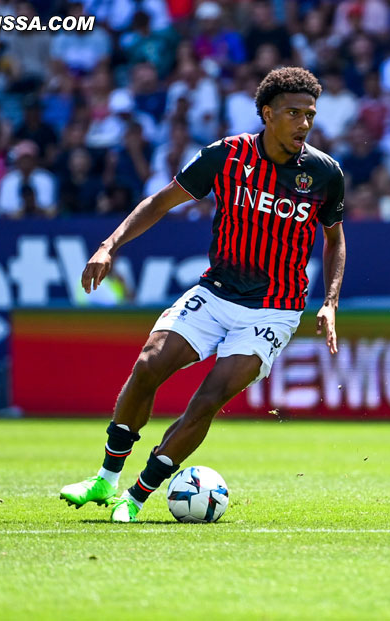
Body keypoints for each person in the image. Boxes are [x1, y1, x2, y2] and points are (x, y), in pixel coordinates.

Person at [59, 67, 347, 523]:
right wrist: (108, 245)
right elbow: (161, 201)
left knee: (208, 397)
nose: (304, 124)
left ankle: (133, 498)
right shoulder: (226, 156)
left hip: (275, 309)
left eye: (310, 115)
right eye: (294, 113)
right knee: (149, 365)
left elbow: (334, 240)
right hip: (215, 294)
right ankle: (105, 479)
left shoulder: (324, 173)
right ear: (267, 114)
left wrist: (329, 303)